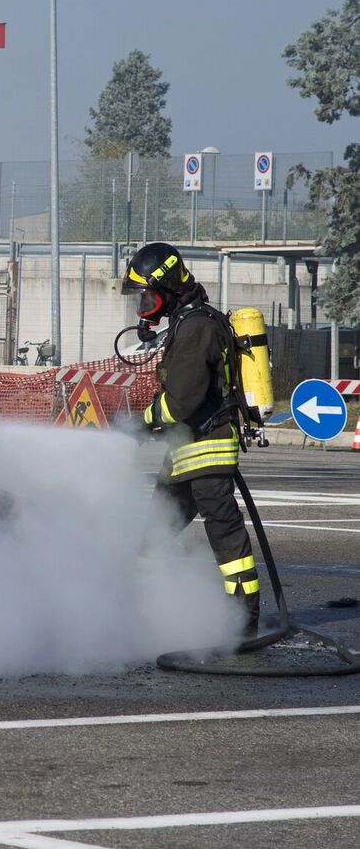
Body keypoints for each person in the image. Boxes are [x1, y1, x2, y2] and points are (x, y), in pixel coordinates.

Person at [123, 242, 259, 637]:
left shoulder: (198, 325)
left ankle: (243, 618)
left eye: (150, 295)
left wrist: (142, 422)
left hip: (208, 447)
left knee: (224, 532)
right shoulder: (186, 321)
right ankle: (140, 605)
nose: (145, 305)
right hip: (184, 451)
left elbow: (182, 399)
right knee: (155, 530)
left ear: (169, 287)